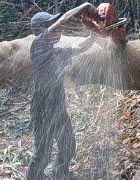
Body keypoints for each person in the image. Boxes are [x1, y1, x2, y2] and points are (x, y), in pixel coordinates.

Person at [26, 3, 99, 180]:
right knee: (43, 152)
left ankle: (60, 173)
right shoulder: (39, 44)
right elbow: (62, 21)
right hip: (43, 109)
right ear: (44, 30)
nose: (58, 28)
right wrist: (85, 6)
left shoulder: (56, 52)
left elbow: (80, 47)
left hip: (57, 107)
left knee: (68, 145)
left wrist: (93, 34)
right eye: (52, 24)